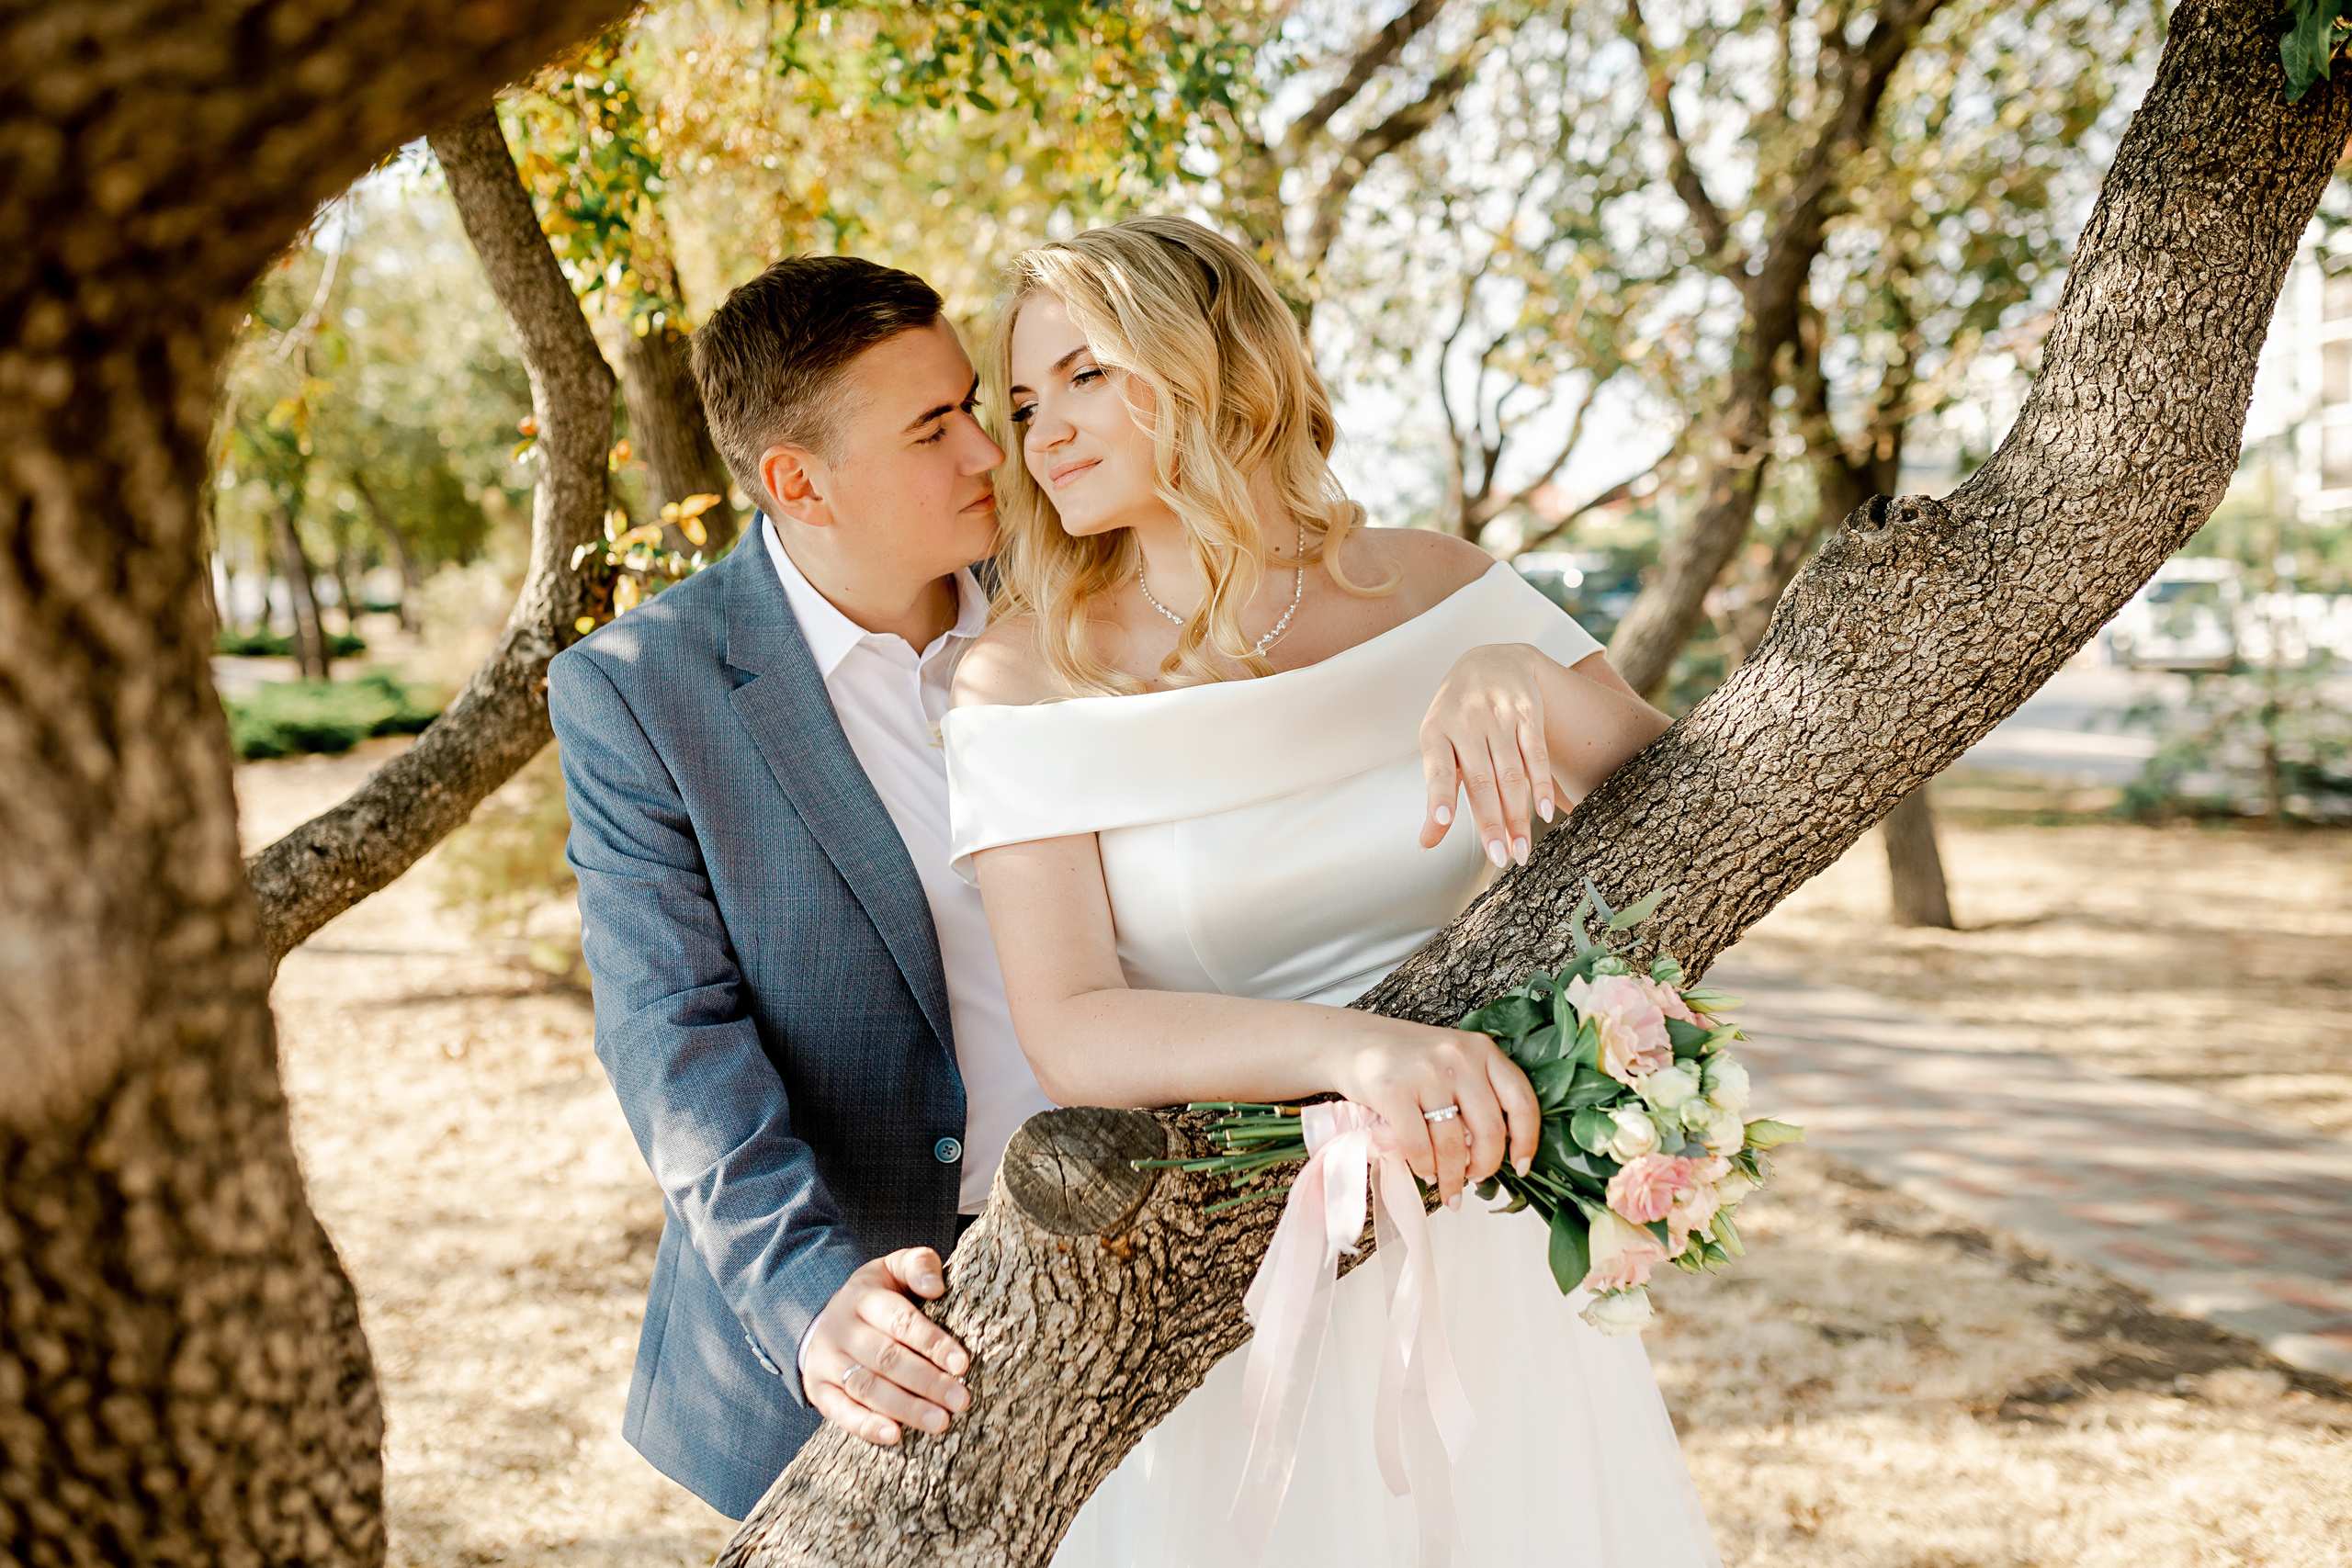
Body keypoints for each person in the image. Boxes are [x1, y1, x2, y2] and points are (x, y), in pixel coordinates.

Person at [946, 217, 1721, 1564]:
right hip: (1222, 1274)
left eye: (1084, 375)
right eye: (1021, 401)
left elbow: (1693, 800)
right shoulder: (1025, 672)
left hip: (1486, 1245)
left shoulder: (1445, 586)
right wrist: (1354, 1051)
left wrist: (1527, 684)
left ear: (1214, 368)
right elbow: (1070, 1021)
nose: (1040, 432)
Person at [546, 255, 1055, 1517]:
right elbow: (673, 1036)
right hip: (864, 1340)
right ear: (795, 481)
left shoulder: (1073, 610)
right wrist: (810, 1296)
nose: (990, 453)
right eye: (933, 428)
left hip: (1136, 1264)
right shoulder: (641, 692)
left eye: (975, 407)